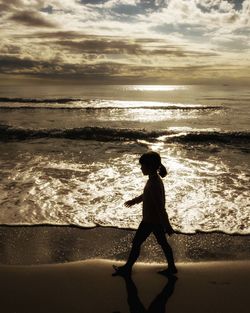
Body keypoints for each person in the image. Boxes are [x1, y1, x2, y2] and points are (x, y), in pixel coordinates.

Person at [113, 151, 177, 276]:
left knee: (137, 243)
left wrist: (167, 225)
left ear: (150, 166)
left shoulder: (154, 183)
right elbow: (146, 195)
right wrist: (134, 201)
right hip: (152, 220)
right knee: (162, 243)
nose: (141, 168)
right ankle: (171, 267)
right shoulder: (153, 180)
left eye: (143, 165)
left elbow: (160, 208)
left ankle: (127, 268)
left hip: (151, 221)